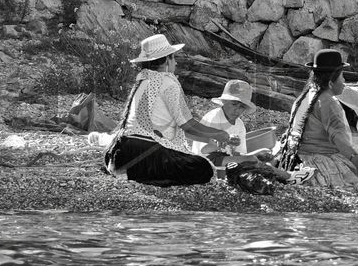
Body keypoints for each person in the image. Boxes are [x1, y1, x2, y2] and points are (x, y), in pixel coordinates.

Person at [104, 34, 239, 186]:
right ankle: (149, 179)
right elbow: (187, 125)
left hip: (119, 155)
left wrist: (213, 137)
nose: (176, 62)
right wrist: (220, 134)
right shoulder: (168, 83)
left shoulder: (142, 80)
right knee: (204, 168)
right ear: (165, 61)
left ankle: (133, 175)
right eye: (173, 58)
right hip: (143, 155)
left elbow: (179, 129)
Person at [277, 49, 358, 192]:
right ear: (331, 82)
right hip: (316, 159)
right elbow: (338, 137)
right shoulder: (329, 102)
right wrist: (355, 159)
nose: (344, 82)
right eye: (342, 77)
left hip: (293, 156)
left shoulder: (306, 95)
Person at [191, 79, 316, 185]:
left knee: (263, 160)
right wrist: (223, 141)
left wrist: (259, 153)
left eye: (241, 107)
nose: (237, 110)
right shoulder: (214, 118)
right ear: (224, 102)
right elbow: (204, 150)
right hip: (206, 162)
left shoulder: (239, 125)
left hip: (224, 160)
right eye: (234, 104)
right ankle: (289, 177)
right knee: (252, 161)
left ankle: (281, 177)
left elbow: (239, 153)